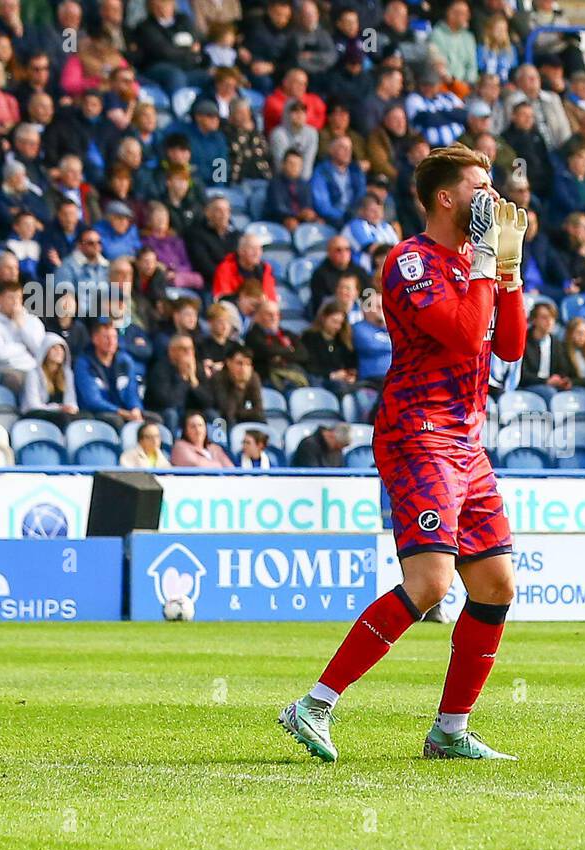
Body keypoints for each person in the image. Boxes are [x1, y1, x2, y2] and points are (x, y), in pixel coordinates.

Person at [279, 144, 528, 764]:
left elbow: (511, 347)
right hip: (418, 433)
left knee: (496, 583)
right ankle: (313, 704)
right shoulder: (411, 261)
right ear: (446, 197)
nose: (491, 198)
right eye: (479, 186)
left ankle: (450, 728)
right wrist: (481, 263)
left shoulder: (476, 261)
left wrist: (509, 271)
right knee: (431, 582)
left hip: (466, 440)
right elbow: (467, 332)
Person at [74, 318, 144, 430]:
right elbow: (92, 400)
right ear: (95, 339)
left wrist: (135, 409)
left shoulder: (125, 361)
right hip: (97, 412)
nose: (111, 342)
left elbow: (132, 391)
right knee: (116, 421)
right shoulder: (84, 363)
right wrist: (121, 412)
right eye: (106, 338)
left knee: (154, 420)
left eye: (114, 338)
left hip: (125, 411)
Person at [20, 334, 79, 429]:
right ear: (45, 350)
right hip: (35, 413)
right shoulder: (33, 373)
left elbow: (71, 400)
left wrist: (72, 408)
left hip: (59, 413)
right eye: (54, 348)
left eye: (61, 348)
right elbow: (33, 404)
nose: (59, 352)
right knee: (62, 417)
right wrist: (58, 408)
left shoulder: (67, 374)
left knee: (86, 416)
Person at [169, 410, 233, 468]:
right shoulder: (179, 447)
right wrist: (220, 466)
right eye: (193, 426)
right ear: (185, 431)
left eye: (200, 425)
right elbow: (197, 465)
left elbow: (231, 469)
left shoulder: (215, 448)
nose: (198, 430)